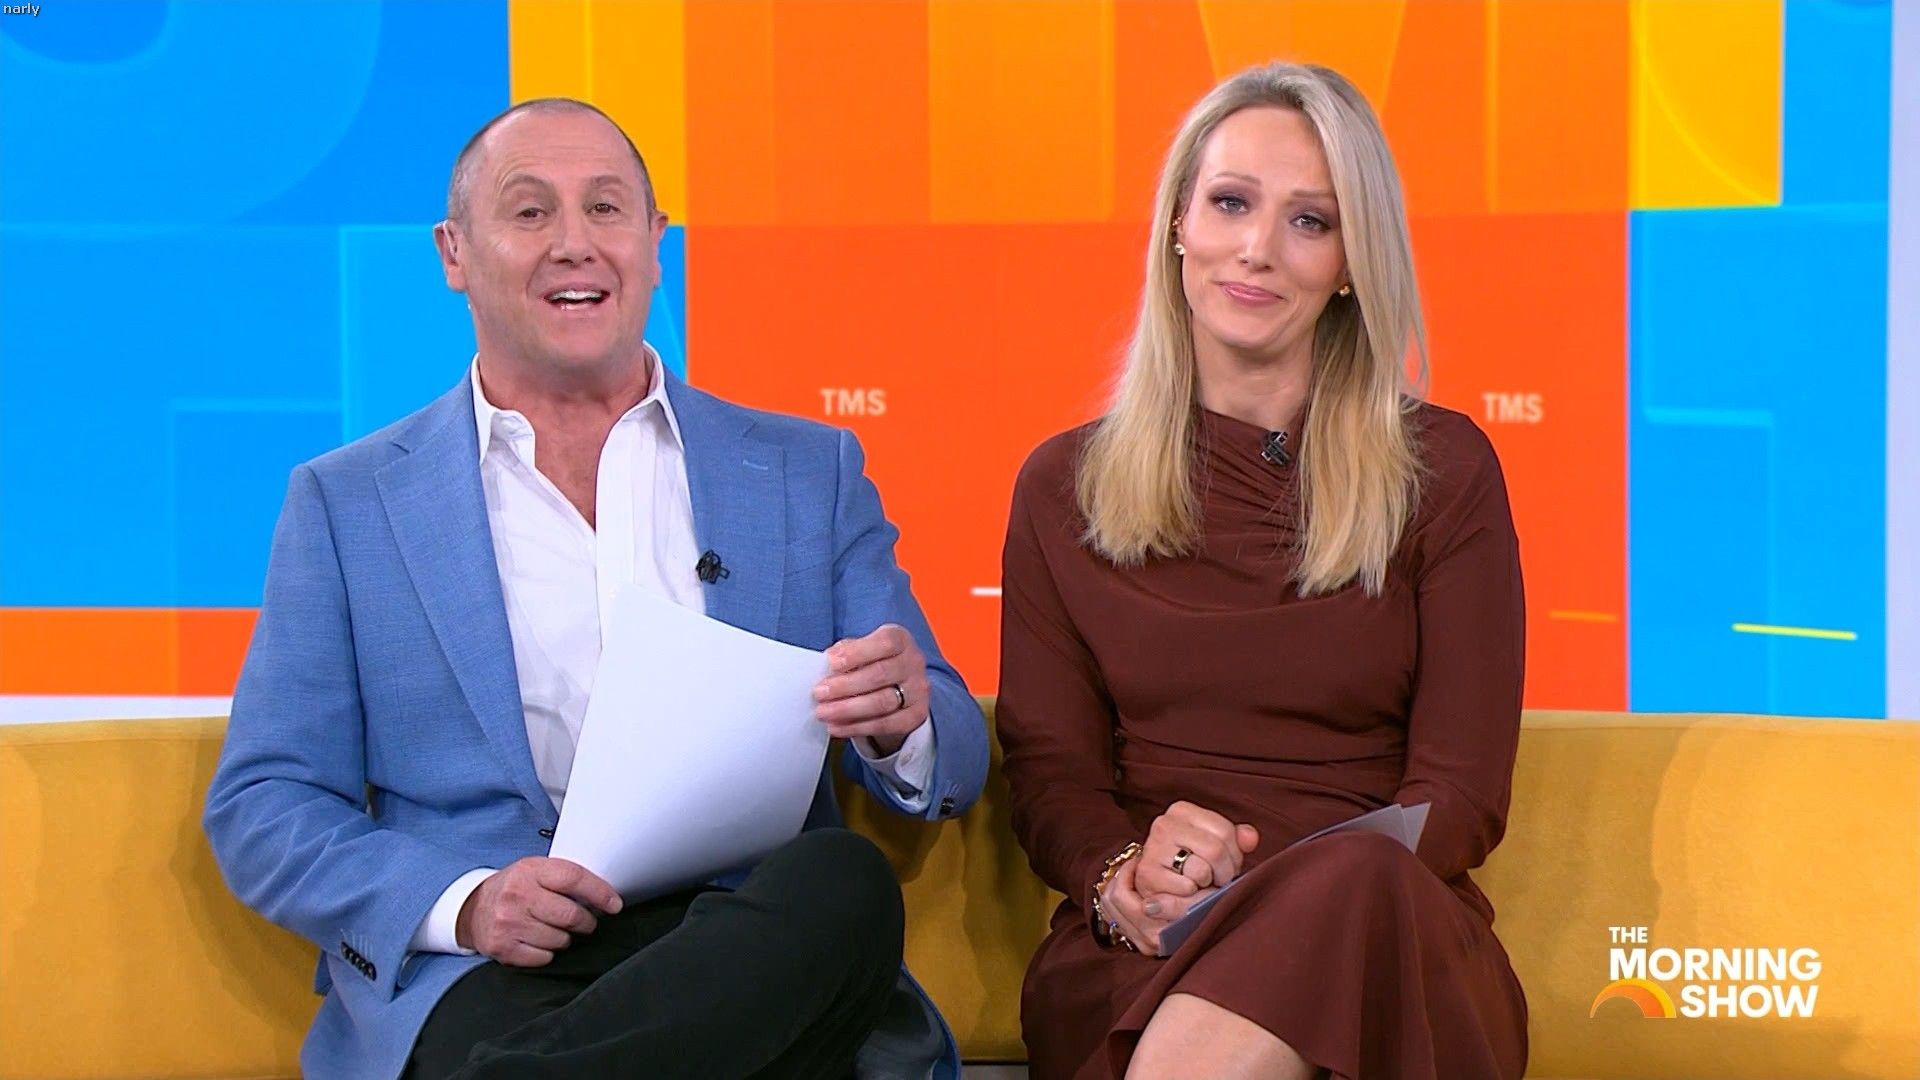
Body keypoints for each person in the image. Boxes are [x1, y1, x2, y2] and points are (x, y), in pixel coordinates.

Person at [203, 97, 989, 1080]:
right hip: (496, 970)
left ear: (655, 245)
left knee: (843, 878)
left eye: (607, 209)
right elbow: (267, 801)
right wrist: (467, 904)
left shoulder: (806, 472)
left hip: (748, 951)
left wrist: (901, 721)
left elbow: (954, 748)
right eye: (530, 211)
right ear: (454, 253)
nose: (575, 243)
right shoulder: (349, 503)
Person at [996, 62, 1528, 1080]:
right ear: (1178, 226)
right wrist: (1122, 876)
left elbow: (1461, 795)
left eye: (1309, 221)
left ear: (1350, 264)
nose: (1258, 249)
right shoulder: (1063, 488)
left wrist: (1279, 893)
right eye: (1231, 203)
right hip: (1150, 946)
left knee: (1357, 879)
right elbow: (1054, 776)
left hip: (1390, 935)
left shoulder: (1443, 471)